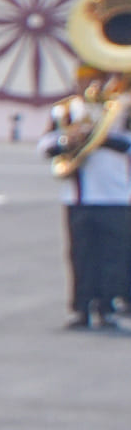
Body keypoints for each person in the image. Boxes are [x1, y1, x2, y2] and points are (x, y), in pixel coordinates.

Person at [60, 57, 131, 330]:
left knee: (112, 254)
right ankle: (81, 308)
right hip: (78, 196)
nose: (89, 85)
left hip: (115, 194)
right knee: (81, 254)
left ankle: (107, 306)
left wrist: (101, 139)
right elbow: (44, 146)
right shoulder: (66, 111)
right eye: (84, 79)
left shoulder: (122, 110)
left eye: (95, 79)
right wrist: (69, 140)